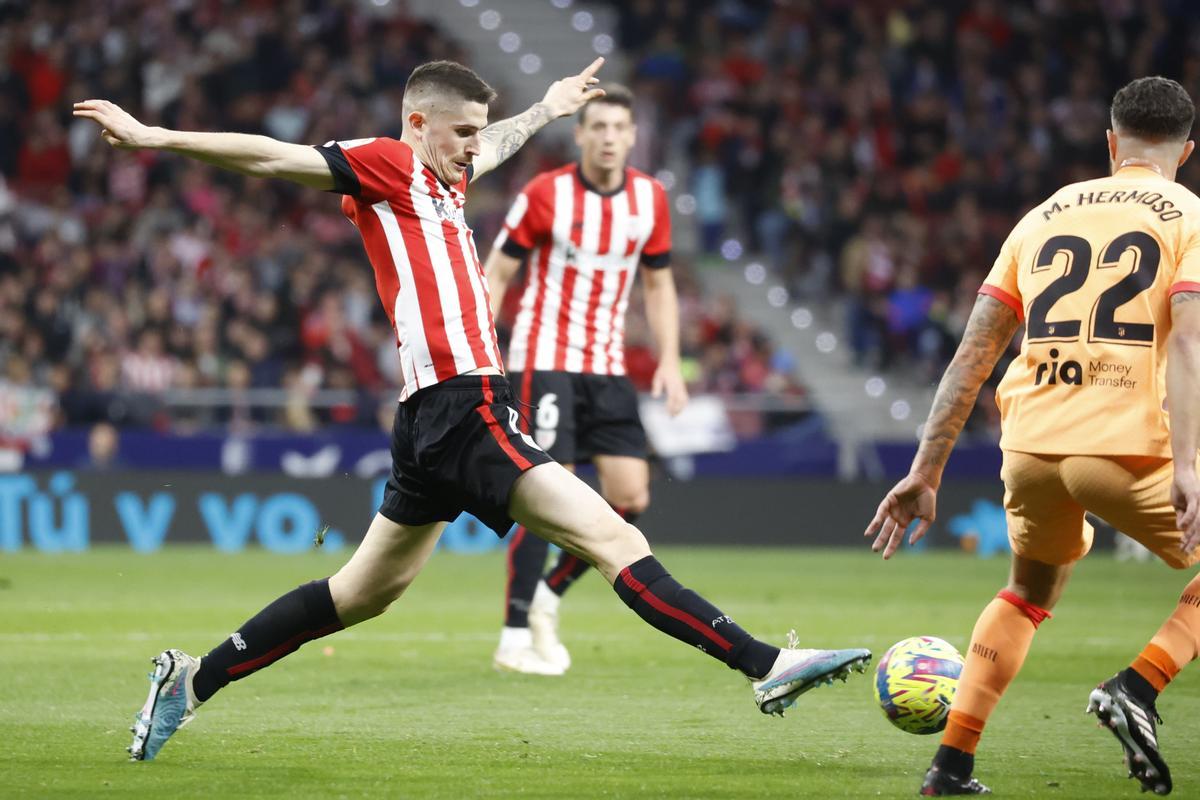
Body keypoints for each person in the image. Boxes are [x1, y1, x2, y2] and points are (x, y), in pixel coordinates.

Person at [75, 58, 870, 763]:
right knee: (613, 535)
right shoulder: (385, 163)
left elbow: (500, 144)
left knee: (363, 593)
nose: (471, 147)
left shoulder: (448, 175)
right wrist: (156, 139)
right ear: (415, 125)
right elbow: (271, 156)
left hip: (433, 414)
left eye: (474, 133)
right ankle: (766, 667)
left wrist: (550, 109)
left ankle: (192, 679)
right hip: (462, 404)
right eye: (457, 132)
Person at [864, 75, 1200, 796]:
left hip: (1032, 446)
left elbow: (975, 351)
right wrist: (1191, 465)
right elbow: (1188, 342)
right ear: (1187, 151)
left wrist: (926, 471)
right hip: (1126, 443)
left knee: (1028, 589)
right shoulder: (1189, 216)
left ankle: (950, 764)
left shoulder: (1044, 215)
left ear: (1110, 143)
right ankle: (1137, 687)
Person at [485, 83, 689, 675]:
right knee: (545, 495)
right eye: (596, 127)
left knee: (630, 497)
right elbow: (496, 274)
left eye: (617, 128)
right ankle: (514, 635)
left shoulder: (650, 200)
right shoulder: (544, 194)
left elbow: (657, 285)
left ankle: (549, 597)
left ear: (631, 136)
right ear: (579, 134)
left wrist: (671, 360)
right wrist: (485, 355)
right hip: (543, 362)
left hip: (607, 368)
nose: (606, 137)